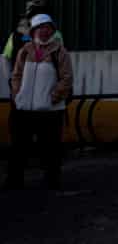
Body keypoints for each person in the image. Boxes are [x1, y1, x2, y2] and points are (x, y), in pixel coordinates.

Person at [5, 14, 73, 190]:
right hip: (24, 108)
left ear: (52, 30)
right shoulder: (25, 51)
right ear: (34, 30)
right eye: (41, 27)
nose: (44, 31)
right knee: (19, 147)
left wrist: (53, 97)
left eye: (48, 27)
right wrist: (17, 94)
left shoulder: (59, 51)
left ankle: (52, 180)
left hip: (50, 110)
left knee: (51, 148)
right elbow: (16, 75)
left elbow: (66, 78)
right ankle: (14, 179)